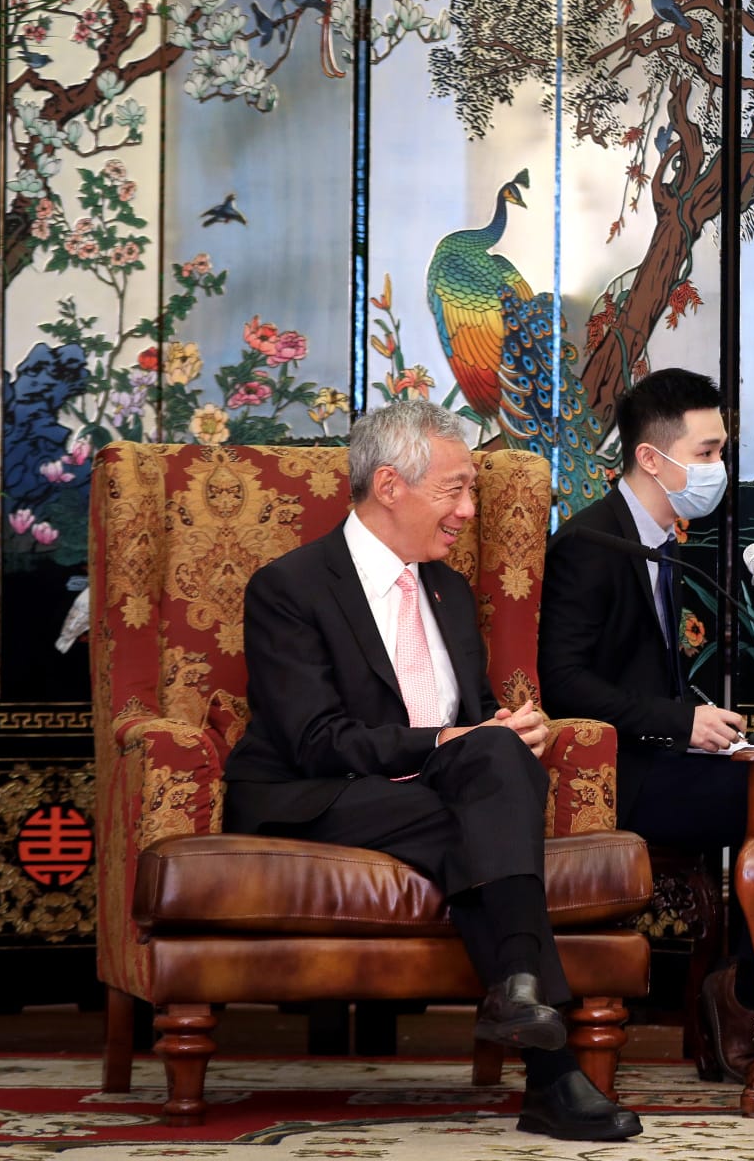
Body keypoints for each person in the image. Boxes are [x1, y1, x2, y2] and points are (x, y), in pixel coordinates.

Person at [223, 400, 641, 1143]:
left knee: (494, 767)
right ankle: (550, 1068)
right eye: (456, 490)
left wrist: (504, 731)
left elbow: (470, 722)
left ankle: (524, 1008)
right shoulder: (289, 587)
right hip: (316, 794)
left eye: (471, 491)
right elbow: (316, 740)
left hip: (431, 797)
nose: (468, 511)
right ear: (389, 485)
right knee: (477, 815)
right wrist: (454, 740)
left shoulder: (447, 591)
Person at [539, 368, 754, 1084]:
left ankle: (746, 997)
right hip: (614, 775)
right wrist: (682, 721)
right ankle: (746, 1002)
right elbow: (564, 683)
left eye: (720, 453)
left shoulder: (657, 538)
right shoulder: (592, 543)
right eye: (705, 454)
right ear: (651, 458)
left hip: (662, 757)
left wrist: (711, 730)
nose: (718, 470)